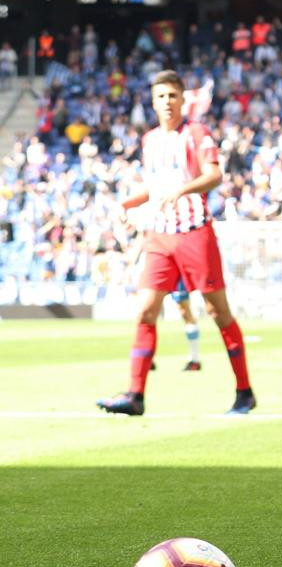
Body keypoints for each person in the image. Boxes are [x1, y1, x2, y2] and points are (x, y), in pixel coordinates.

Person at [98, 69, 255, 416]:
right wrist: (129, 202)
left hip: (195, 232)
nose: (167, 102)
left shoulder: (197, 133)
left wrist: (182, 190)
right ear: (152, 103)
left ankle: (244, 391)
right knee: (145, 310)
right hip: (159, 235)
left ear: (183, 99)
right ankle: (135, 396)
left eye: (173, 95)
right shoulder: (150, 140)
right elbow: (155, 187)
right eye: (161, 97)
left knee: (217, 312)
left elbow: (214, 174)